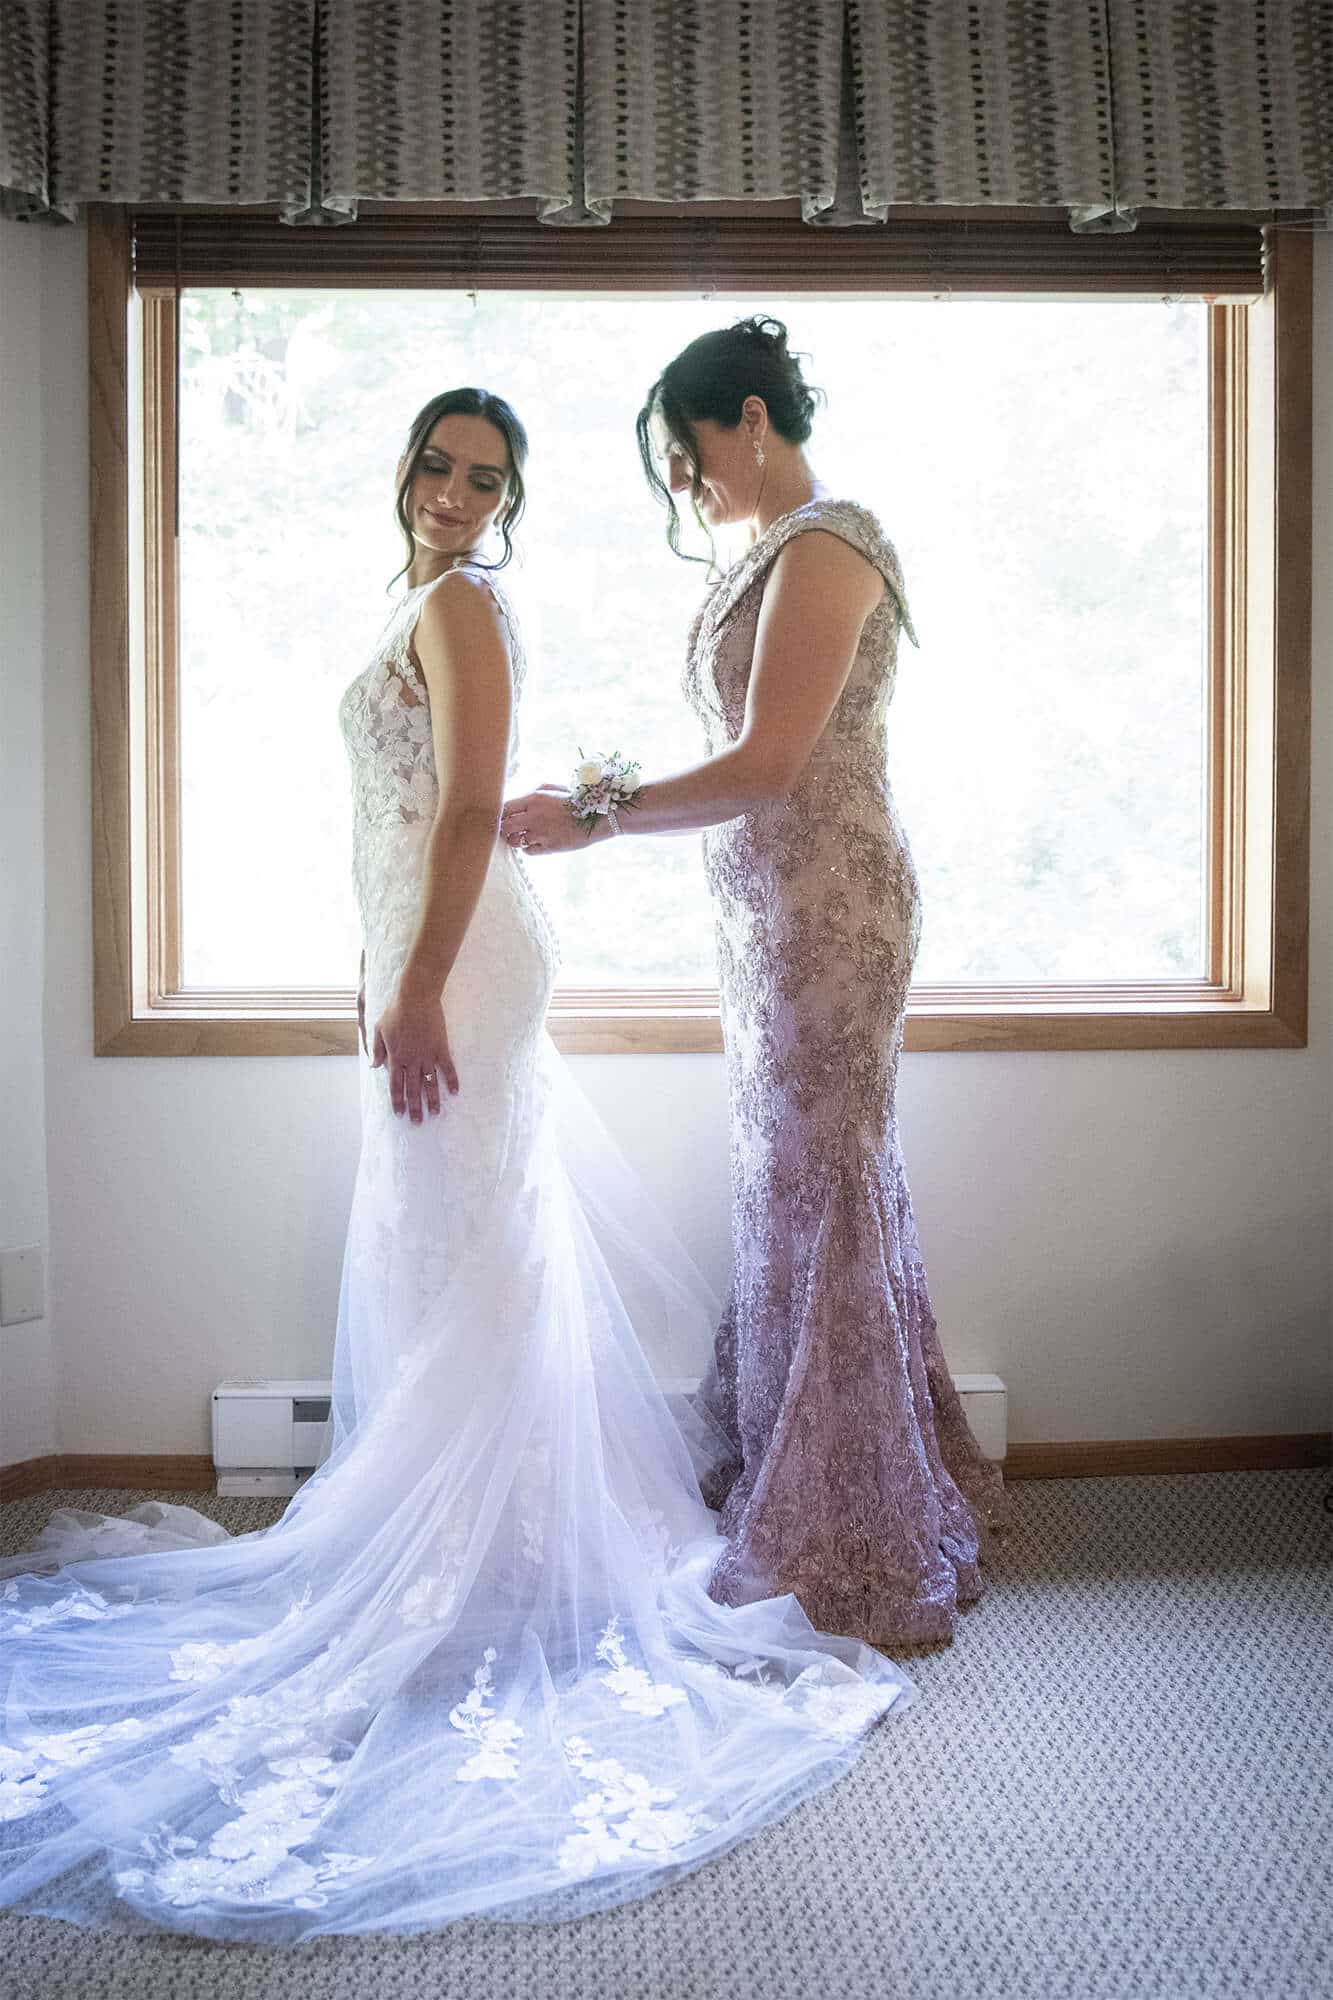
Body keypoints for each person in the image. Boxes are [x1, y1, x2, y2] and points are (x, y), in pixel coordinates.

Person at [0, 387, 916, 1944]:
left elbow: (476, 809)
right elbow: (400, 809)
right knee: (445, 1246)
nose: (454, 492)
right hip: (422, 954)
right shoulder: (415, 595)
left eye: (485, 479)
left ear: (508, 502)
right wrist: (385, 963)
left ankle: (482, 1561)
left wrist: (423, 982)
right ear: (406, 468)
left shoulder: (468, 606)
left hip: (467, 963)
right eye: (437, 464)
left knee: (468, 1242)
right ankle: (470, 1545)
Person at [502, 319, 1010, 1650]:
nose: (682, 483)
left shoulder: (830, 544)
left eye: (684, 454)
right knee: (791, 1184)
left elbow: (770, 761)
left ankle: (849, 1519)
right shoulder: (772, 552)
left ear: (749, 419)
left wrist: (595, 813)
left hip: (830, 908)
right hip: (767, 916)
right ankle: (820, 1471)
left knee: (821, 1185)